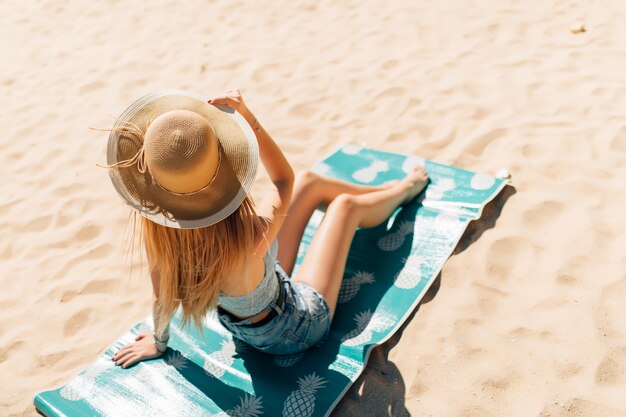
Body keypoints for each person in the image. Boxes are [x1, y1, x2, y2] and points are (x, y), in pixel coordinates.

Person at [98, 89, 428, 368]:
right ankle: (404, 190)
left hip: (254, 308)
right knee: (344, 207)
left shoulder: (163, 237)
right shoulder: (252, 234)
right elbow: (284, 178)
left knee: (311, 184)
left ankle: (386, 193)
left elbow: (162, 299)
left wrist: (158, 342)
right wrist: (247, 117)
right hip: (298, 326)